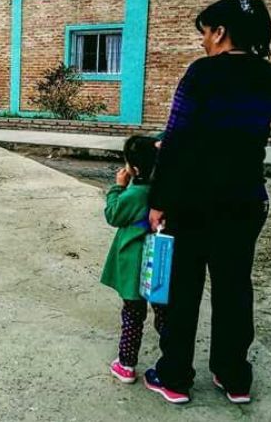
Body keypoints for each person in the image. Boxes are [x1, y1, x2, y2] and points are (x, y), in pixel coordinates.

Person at [144, 0, 271, 405]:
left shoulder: (202, 73)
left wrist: (158, 199)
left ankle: (175, 377)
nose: (203, 41)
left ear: (220, 32)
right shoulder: (268, 76)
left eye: (205, 32)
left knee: (183, 290)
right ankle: (233, 376)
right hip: (245, 200)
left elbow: (177, 139)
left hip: (194, 202)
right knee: (234, 288)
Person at [100, 136, 166, 384]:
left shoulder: (134, 193)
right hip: (157, 262)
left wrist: (118, 187)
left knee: (132, 315)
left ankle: (126, 364)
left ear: (134, 169)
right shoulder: (161, 191)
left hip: (134, 263)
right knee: (163, 314)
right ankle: (172, 358)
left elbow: (113, 215)